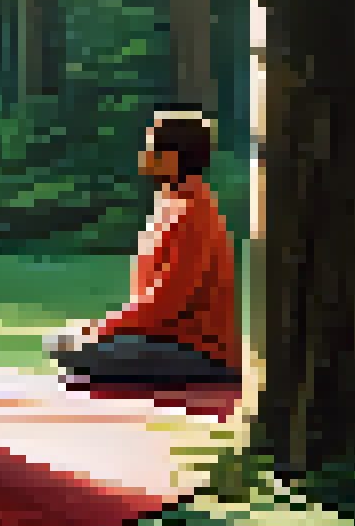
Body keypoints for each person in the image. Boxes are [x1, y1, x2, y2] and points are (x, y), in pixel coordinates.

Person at [45, 111, 241, 384]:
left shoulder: (193, 213)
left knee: (76, 350)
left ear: (171, 158)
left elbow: (164, 304)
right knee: (62, 343)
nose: (143, 155)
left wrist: (102, 330)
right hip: (161, 340)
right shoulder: (170, 203)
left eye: (150, 147)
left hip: (199, 353)